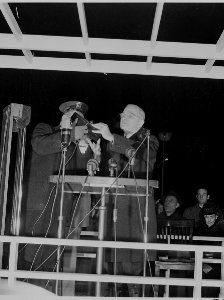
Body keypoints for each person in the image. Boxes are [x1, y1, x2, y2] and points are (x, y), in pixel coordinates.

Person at [21, 101, 101, 294]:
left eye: (79, 117)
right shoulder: (45, 129)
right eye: (73, 115)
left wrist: (87, 150)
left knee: (54, 253)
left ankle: (49, 291)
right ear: (63, 116)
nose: (76, 120)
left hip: (63, 202)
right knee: (32, 252)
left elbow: (81, 171)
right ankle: (26, 290)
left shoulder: (78, 139)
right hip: (40, 201)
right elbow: (40, 146)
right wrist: (71, 133)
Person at [92, 104, 159, 297]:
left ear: (141, 121)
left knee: (134, 274)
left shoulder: (148, 139)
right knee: (111, 276)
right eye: (123, 114)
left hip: (134, 218)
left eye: (130, 115)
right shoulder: (112, 144)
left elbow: (142, 160)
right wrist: (96, 157)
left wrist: (112, 137)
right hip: (111, 215)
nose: (124, 117)